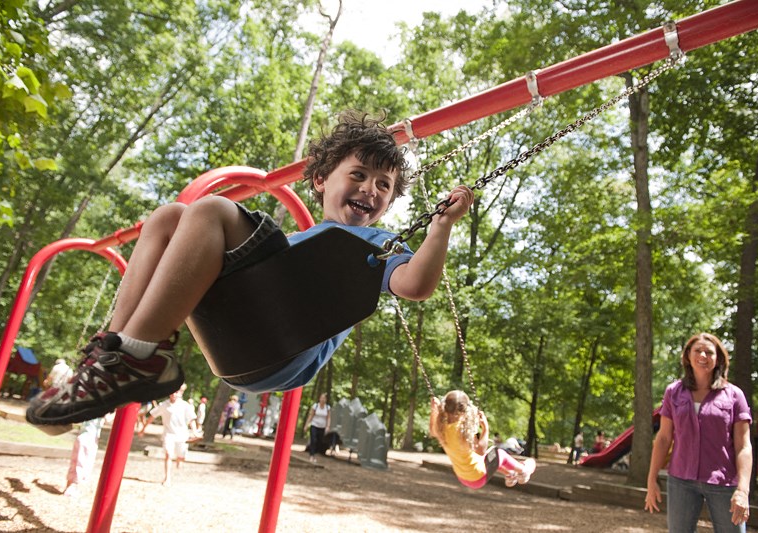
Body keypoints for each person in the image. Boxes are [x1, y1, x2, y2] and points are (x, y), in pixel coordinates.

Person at [26, 110, 474, 426]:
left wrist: (439, 230)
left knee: (213, 210)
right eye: (357, 174)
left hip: (283, 345)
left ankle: (137, 358)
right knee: (166, 218)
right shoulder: (297, 242)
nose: (370, 189)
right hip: (237, 339)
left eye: (384, 185)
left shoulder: (375, 243)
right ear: (321, 180)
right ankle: (113, 358)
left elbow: (415, 285)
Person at [644, 332, 753, 531]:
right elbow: (663, 438)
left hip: (724, 482)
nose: (703, 356)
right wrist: (651, 480)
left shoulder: (735, 395)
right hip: (681, 481)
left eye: (709, 352)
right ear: (687, 356)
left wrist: (743, 490)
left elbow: (743, 446)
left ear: (718, 358)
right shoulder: (673, 392)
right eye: (697, 351)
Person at [429, 390, 535, 489]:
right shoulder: (463, 431)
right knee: (498, 453)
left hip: (463, 477)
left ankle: (510, 474)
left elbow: (432, 429)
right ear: (463, 411)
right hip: (477, 477)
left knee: (489, 456)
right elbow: (481, 451)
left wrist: (434, 410)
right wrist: (485, 428)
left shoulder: (442, 429)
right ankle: (523, 470)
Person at [138, 389, 198, 486]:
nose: (174, 394)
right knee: (168, 455)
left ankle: (180, 459)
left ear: (181, 393)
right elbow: (152, 417)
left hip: (182, 435)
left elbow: (191, 419)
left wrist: (195, 431)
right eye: (172, 392)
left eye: (177, 392)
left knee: (180, 456)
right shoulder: (163, 405)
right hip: (168, 434)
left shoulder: (185, 405)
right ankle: (167, 478)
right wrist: (143, 429)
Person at [63, 415, 111, 497]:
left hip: (82, 436)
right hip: (89, 439)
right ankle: (72, 488)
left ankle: (69, 485)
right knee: (82, 462)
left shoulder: (91, 410)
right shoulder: (102, 411)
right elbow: (108, 419)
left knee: (76, 461)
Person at [303, 392, 331, 463]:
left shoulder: (327, 408)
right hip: (314, 425)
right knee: (313, 440)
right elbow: (311, 416)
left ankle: (314, 454)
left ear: (326, 400)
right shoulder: (315, 406)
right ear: (319, 399)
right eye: (321, 398)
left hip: (322, 427)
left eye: (324, 398)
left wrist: (328, 426)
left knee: (319, 441)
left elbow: (328, 417)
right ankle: (311, 455)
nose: (322, 400)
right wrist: (306, 425)